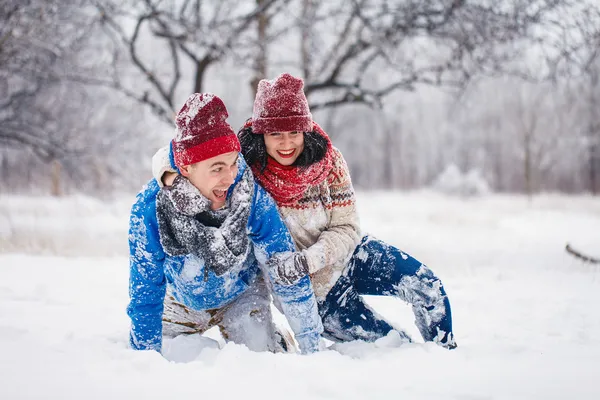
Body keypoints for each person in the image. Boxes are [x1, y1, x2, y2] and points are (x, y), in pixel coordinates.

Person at [236, 73, 457, 348]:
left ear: (306, 129)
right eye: (275, 134)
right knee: (397, 347)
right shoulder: (244, 175)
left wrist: (308, 260)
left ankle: (448, 359)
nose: (287, 143)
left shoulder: (328, 161)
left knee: (427, 287)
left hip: (351, 255)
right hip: (318, 298)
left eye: (294, 132)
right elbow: (196, 167)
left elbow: (347, 227)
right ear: (261, 134)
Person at [128, 93, 323, 355]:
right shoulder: (152, 208)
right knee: (173, 358)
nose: (230, 178)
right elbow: (145, 289)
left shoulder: (249, 196)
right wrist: (144, 359)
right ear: (186, 168)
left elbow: (284, 267)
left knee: (259, 362)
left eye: (233, 164)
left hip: (241, 294)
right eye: (217, 169)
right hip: (180, 300)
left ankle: (274, 339)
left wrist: (312, 345)